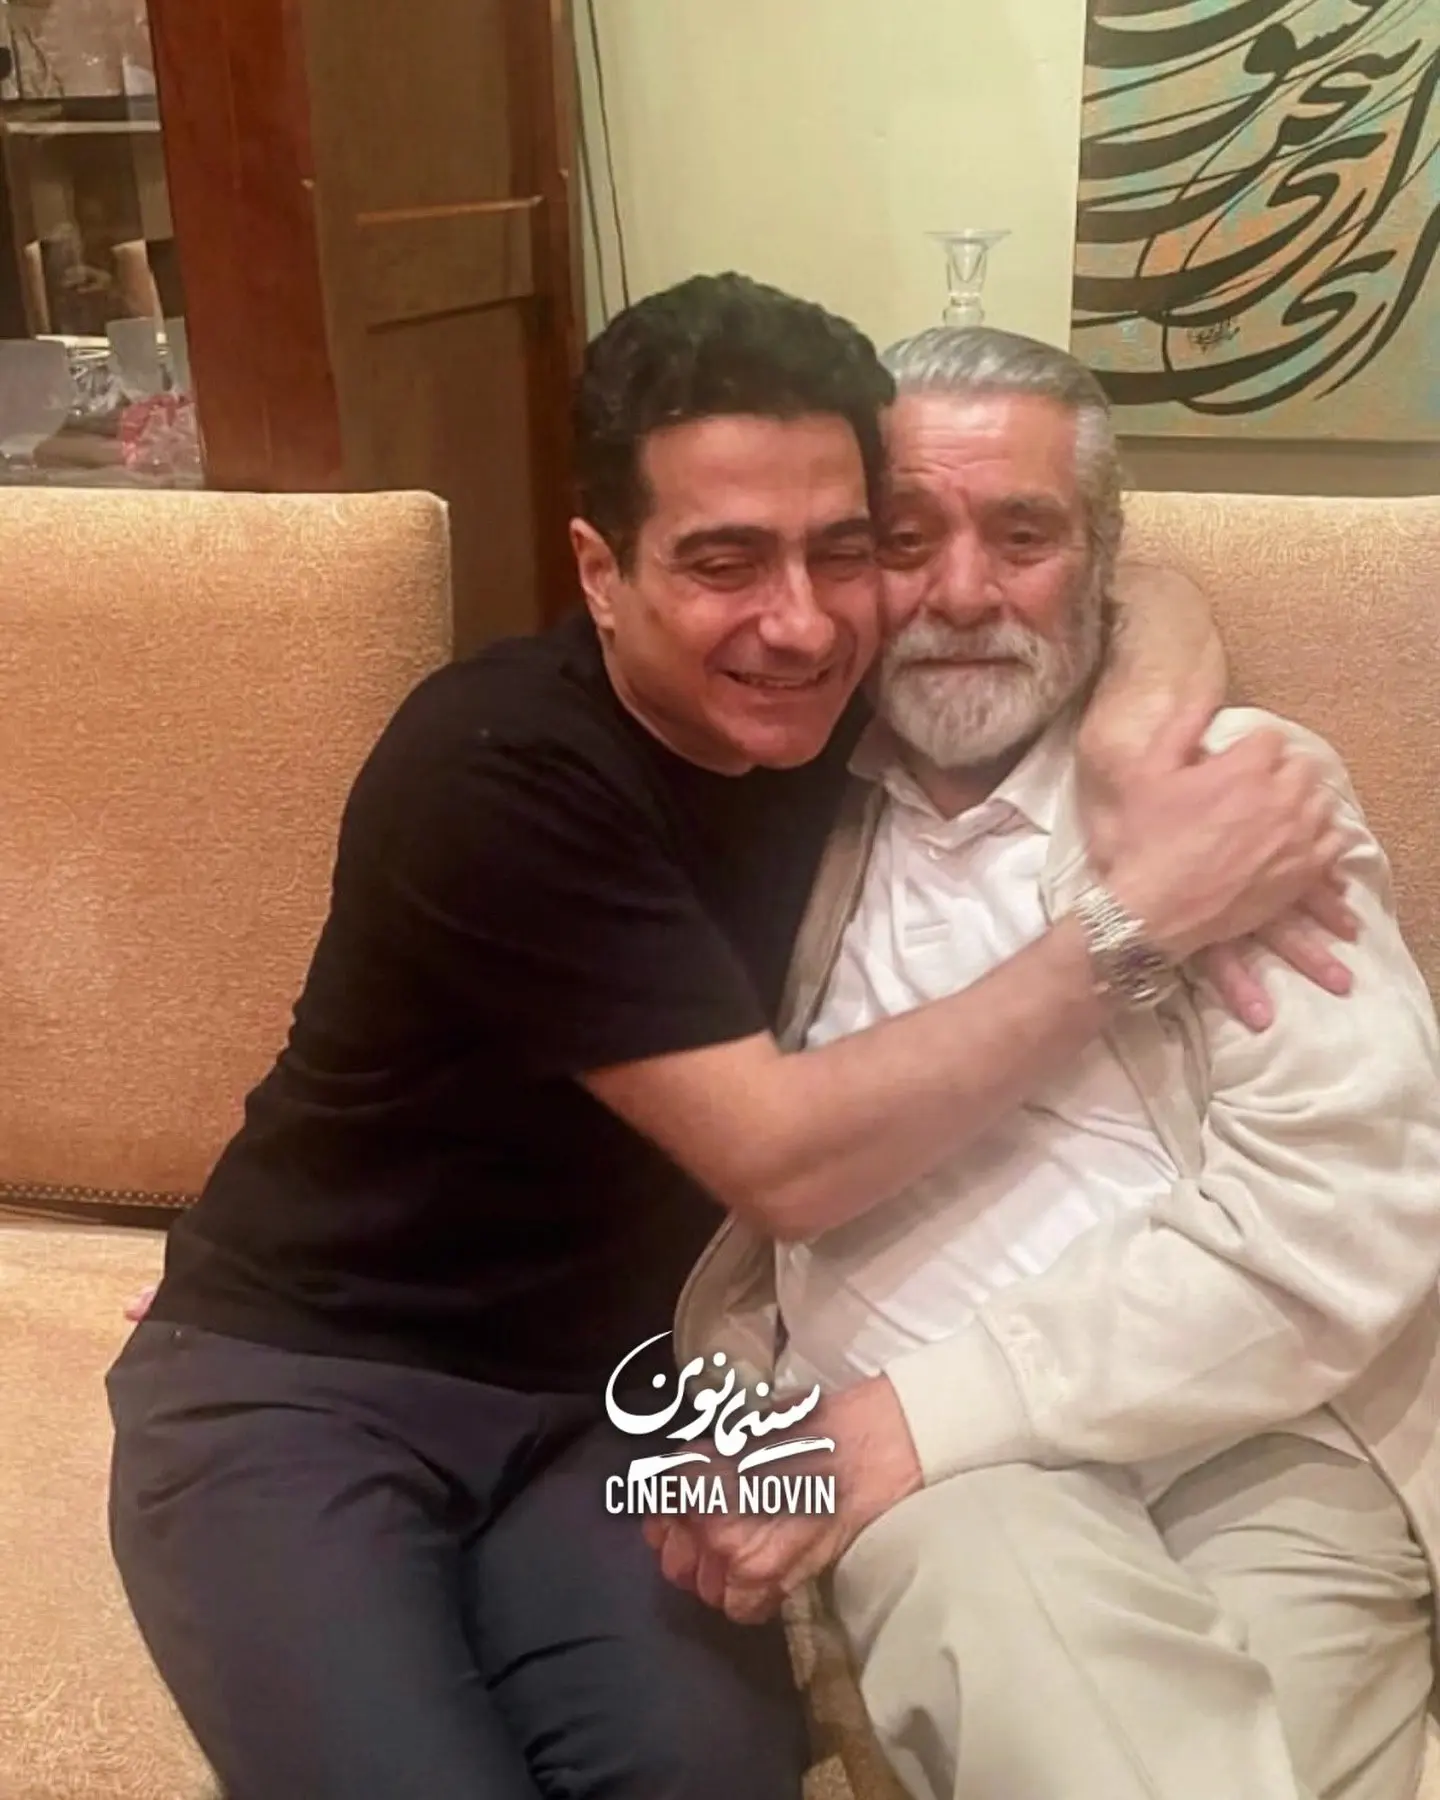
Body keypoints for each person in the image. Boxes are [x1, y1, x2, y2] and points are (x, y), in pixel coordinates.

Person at [106, 276, 1347, 1800]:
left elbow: (1118, 586)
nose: (801, 621)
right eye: (723, 561)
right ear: (600, 570)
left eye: (845, 549)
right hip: (312, 1380)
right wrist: (1130, 921)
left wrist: (1140, 735)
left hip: (613, 1399)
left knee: (705, 1771)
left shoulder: (849, 722)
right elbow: (784, 1161)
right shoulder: (493, 769)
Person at [657, 326, 1440, 1800]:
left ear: (1096, 560)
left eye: (1024, 536)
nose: (963, 594)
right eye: (907, 539)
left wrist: (900, 1425)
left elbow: (1345, 1213)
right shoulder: (771, 812)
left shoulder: (1236, 797)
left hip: (1266, 1440)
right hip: (949, 1487)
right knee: (1022, 1620)